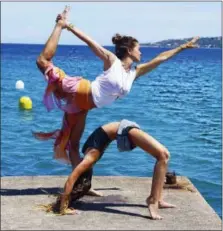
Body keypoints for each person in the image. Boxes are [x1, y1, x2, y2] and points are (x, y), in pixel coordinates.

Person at [34, 6, 199, 172]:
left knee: (73, 145)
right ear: (129, 50)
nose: (141, 52)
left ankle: (81, 185)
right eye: (138, 49)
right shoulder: (112, 61)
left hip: (83, 106)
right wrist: (66, 25)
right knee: (42, 61)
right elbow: (90, 42)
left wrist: (182, 48)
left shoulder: (134, 73)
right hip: (80, 90)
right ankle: (58, 26)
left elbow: (160, 59)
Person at [57, 119, 175, 220]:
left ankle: (157, 199)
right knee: (163, 155)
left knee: (163, 155)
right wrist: (86, 188)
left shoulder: (90, 158)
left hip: (123, 129)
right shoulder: (90, 156)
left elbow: (72, 179)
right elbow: (79, 180)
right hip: (123, 130)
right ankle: (154, 200)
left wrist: (63, 206)